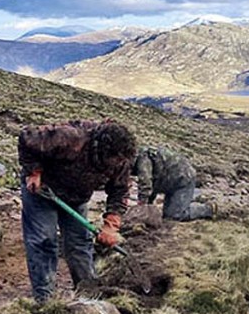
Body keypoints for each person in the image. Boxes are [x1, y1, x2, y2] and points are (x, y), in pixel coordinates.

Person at [18, 119, 137, 302]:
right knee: (44, 240)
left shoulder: (121, 159)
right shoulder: (71, 137)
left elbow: (119, 190)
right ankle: (44, 299)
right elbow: (27, 138)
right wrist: (34, 172)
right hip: (43, 191)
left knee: (80, 243)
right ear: (101, 148)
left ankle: (88, 294)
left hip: (76, 197)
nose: (116, 165)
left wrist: (110, 226)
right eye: (113, 160)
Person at [133, 145, 213, 221]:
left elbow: (145, 185)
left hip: (182, 180)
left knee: (175, 215)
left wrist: (141, 209)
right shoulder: (139, 157)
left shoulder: (142, 160)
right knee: (166, 214)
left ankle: (208, 209)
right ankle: (192, 198)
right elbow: (153, 183)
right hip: (169, 182)